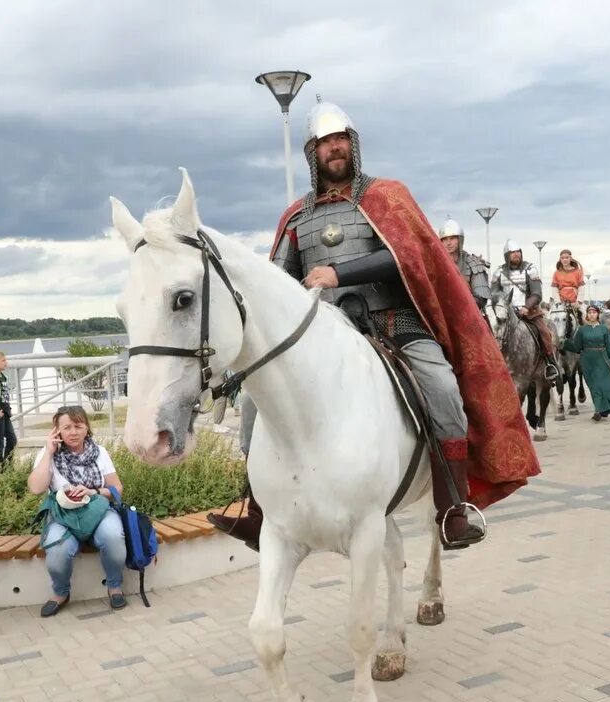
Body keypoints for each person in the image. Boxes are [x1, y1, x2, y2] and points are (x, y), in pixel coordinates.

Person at [207, 101, 538, 553]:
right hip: (321, 331)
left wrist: (338, 274)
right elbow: (277, 281)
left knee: (441, 386)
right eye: (324, 142)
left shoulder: (387, 197)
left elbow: (408, 256)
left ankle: (453, 508)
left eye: (340, 139)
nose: (334, 148)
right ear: (312, 153)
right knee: (254, 395)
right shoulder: (297, 217)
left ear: (353, 145)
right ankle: (257, 510)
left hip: (391, 319)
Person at [28, 406, 127, 616]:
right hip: (63, 515)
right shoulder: (47, 455)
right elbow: (36, 488)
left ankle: (114, 586)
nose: (73, 432)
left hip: (97, 510)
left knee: (113, 537)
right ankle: (61, 593)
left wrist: (93, 491)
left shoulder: (100, 453)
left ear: (86, 428)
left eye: (78, 426)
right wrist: (49, 452)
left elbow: (117, 488)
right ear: (57, 431)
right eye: (67, 427)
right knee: (57, 550)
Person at [492, 240, 562, 383]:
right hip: (505, 313)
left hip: (529, 312)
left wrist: (526, 307)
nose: (516, 254)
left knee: (544, 332)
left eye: (518, 252)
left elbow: (536, 293)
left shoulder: (530, 269)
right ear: (507, 255)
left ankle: (550, 364)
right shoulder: (498, 272)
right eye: (513, 252)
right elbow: (494, 294)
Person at [562, 304, 610, 422]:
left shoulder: (604, 329)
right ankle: (598, 410)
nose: (591, 314)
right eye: (589, 313)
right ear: (587, 315)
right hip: (588, 362)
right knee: (594, 387)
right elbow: (577, 347)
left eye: (594, 312)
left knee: (606, 385)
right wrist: (564, 342)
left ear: (598, 314)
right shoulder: (582, 330)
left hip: (602, 360)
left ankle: (605, 408)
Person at [437, 219, 491, 321]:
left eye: (452, 238)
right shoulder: (434, 264)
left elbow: (481, 297)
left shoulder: (473, 263)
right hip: (441, 318)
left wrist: (458, 308)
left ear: (460, 239)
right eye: (445, 239)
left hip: (470, 318)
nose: (448, 243)